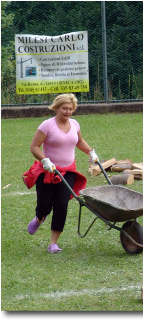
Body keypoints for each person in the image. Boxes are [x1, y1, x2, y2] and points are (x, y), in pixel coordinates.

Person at [23, 93, 99, 253]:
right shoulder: (47, 126)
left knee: (61, 205)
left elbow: (79, 141)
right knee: (44, 205)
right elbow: (34, 147)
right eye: (64, 108)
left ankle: (53, 244)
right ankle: (39, 218)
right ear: (56, 108)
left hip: (68, 172)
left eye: (71, 109)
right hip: (48, 172)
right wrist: (45, 160)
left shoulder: (75, 124)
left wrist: (91, 152)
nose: (68, 112)